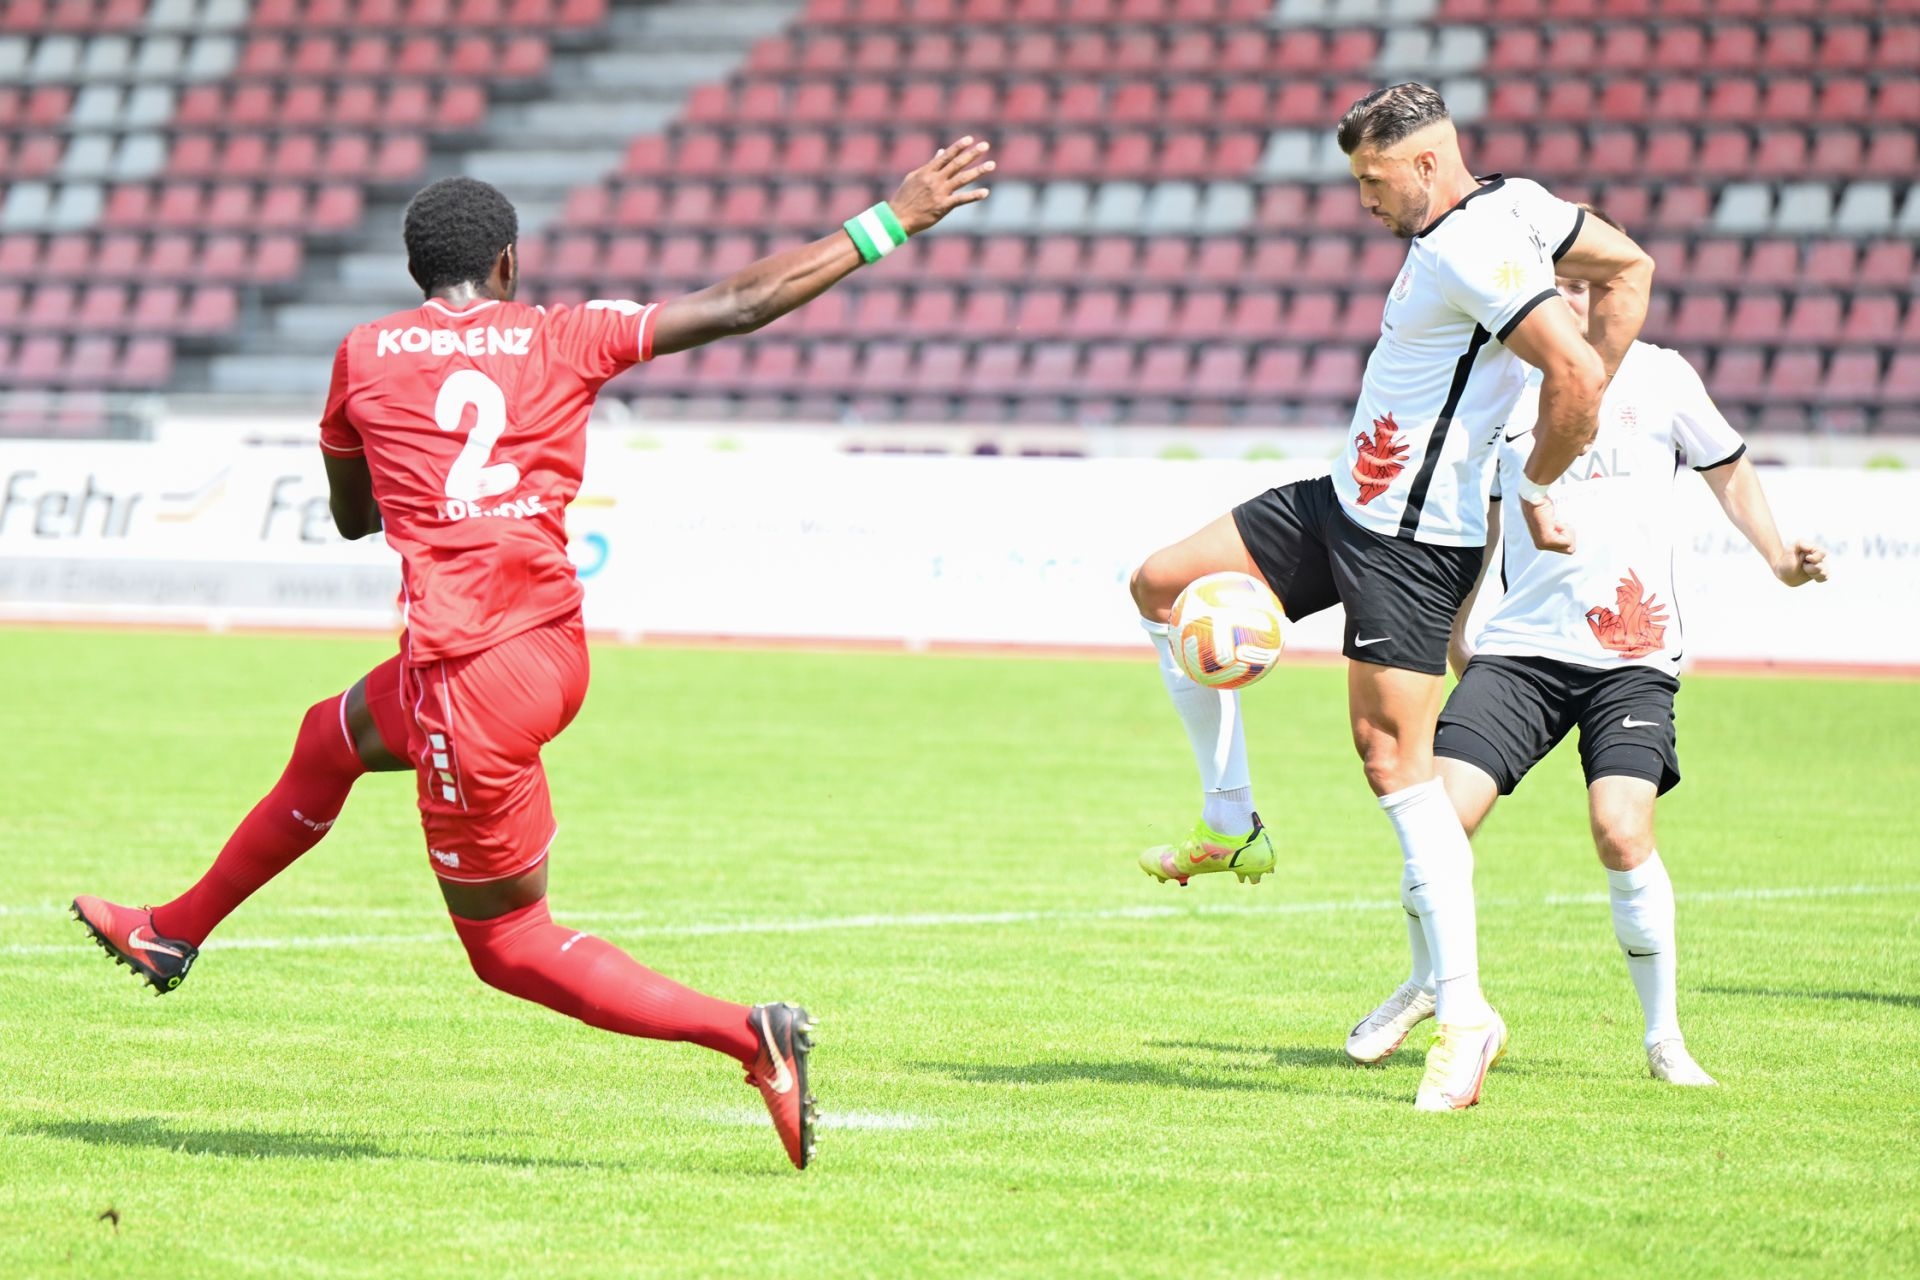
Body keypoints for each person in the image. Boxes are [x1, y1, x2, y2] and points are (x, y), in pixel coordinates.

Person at [72, 138, 996, 1170]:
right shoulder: (566, 334)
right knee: (330, 737)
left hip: (468, 674)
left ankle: (751, 1035)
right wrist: (891, 218)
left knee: (509, 945)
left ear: (416, 271)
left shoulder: (363, 354)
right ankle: (172, 930)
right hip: (548, 646)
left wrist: (416, 481)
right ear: (507, 263)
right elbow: (741, 303)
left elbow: (351, 516)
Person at [1127, 83, 1654, 1111]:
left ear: (1424, 163)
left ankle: (1465, 1013)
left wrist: (1537, 476)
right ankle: (1231, 821)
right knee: (1158, 583)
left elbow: (1577, 373)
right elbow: (1629, 264)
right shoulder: (1520, 205)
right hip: (1344, 501)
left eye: (1372, 180)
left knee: (1393, 767)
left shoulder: (1477, 248)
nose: (1364, 200)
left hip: (1411, 544)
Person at [1344, 214, 1828, 1085]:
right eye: (1556, 284)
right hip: (1521, 652)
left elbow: (1727, 468)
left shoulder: (1662, 376)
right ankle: (1429, 984)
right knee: (1438, 823)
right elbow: (1481, 521)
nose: (1569, 298)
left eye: (1584, 284)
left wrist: (1780, 557)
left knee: (1620, 829)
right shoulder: (1502, 384)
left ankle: (1664, 1039)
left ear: (1613, 291)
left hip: (1632, 654)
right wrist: (1456, 630)